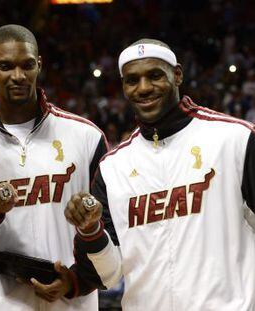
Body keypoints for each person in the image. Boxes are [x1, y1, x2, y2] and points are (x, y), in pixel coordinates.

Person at [65, 39, 255, 310]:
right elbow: (109, 275)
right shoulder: (112, 168)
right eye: (132, 80)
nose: (143, 88)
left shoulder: (236, 139)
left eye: (154, 75)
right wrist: (91, 230)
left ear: (177, 75)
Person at [0, 24, 109, 311]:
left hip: (70, 303)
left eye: (26, 65)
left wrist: (78, 281)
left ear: (39, 64)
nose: (18, 76)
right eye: (6, 66)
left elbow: (110, 229)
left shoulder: (86, 137)